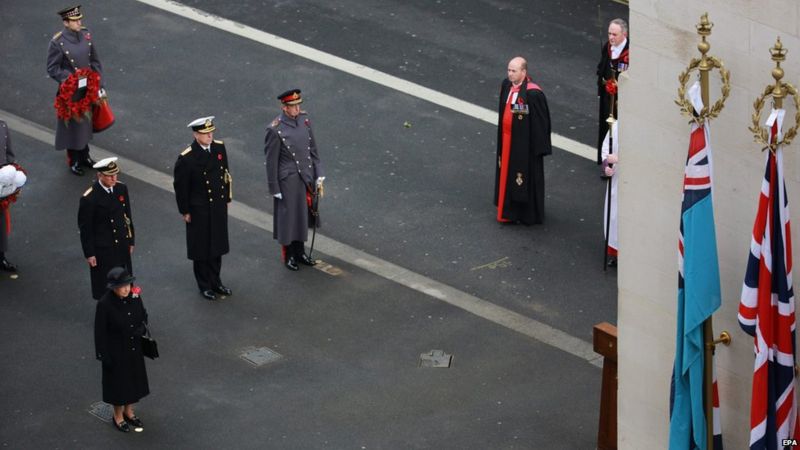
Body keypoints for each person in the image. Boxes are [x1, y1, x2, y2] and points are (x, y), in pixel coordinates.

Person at [264, 89, 325, 271]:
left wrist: (319, 173)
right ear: (284, 108)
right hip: (288, 180)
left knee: (302, 215)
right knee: (289, 218)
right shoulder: (275, 129)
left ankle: (300, 252)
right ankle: (289, 255)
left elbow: (313, 150)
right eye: (293, 106)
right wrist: (274, 187)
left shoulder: (304, 121)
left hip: (305, 175)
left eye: (298, 105)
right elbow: (271, 161)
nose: (297, 109)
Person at [173, 116, 232, 300]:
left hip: (217, 206)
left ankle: (216, 281)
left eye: (211, 132)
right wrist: (185, 211)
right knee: (201, 248)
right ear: (196, 134)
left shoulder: (219, 147)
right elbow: (181, 188)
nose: (209, 136)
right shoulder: (187, 158)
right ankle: (204, 285)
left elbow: (225, 174)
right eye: (205, 133)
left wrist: (227, 197)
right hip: (199, 209)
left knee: (217, 246)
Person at [493, 57, 552, 225]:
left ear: (524, 72)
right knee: (506, 174)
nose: (510, 74)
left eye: (514, 71)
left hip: (524, 145)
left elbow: (541, 123)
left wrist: (538, 148)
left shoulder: (533, 94)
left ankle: (526, 214)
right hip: (506, 140)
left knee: (523, 177)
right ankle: (508, 211)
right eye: (509, 70)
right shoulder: (506, 85)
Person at [47, 5, 103, 176]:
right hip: (70, 93)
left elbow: (94, 62)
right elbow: (52, 68)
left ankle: (84, 156)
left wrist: (100, 85)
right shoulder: (58, 42)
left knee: (85, 125)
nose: (79, 22)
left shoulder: (86, 35)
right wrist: (70, 78)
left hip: (87, 89)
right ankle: (74, 160)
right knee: (72, 127)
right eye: (74, 20)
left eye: (79, 19)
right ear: (66, 23)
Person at [94, 266, 149, 433]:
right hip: (116, 351)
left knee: (132, 381)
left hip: (133, 348)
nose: (126, 289)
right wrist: (104, 355)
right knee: (118, 385)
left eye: (128, 285)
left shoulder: (134, 295)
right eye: (122, 286)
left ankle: (129, 411)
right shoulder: (104, 304)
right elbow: (100, 332)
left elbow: (143, 315)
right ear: (113, 288)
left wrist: (141, 328)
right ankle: (117, 416)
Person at [78, 157, 134, 300]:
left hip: (121, 243)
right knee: (106, 285)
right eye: (109, 175)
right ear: (99, 176)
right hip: (103, 248)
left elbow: (127, 217)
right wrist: (90, 253)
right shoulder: (89, 198)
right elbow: (86, 229)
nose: (113, 178)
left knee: (124, 280)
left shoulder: (121, 188)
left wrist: (131, 240)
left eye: (115, 174)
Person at [595, 18, 629, 165]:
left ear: (624, 34)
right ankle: (604, 160)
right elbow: (601, 67)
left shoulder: (630, 54)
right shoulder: (607, 47)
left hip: (621, 101)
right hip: (607, 97)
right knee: (605, 127)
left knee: (618, 130)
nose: (611, 37)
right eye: (609, 33)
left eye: (614, 34)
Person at [0, 120, 18, 272]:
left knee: (1, 224)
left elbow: (9, 154)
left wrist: (14, 171)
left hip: (2, 182)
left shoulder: (2, 125)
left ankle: (1, 257)